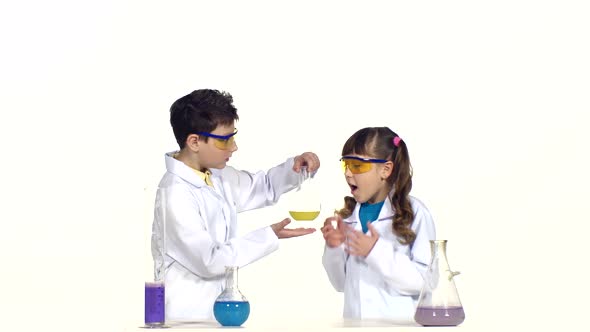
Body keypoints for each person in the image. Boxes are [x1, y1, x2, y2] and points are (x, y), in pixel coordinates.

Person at [152, 89, 319, 321]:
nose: (234, 147)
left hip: (217, 314)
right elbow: (209, 261)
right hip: (185, 317)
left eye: (233, 137)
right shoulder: (174, 193)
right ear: (194, 142)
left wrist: (297, 166)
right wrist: (268, 236)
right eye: (225, 140)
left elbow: (264, 187)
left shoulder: (217, 176)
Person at [320, 127, 436, 322]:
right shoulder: (348, 218)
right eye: (345, 164)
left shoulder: (414, 213)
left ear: (386, 169)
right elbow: (340, 283)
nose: (348, 173)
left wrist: (375, 251)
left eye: (357, 165)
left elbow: (427, 280)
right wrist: (334, 248)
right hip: (355, 325)